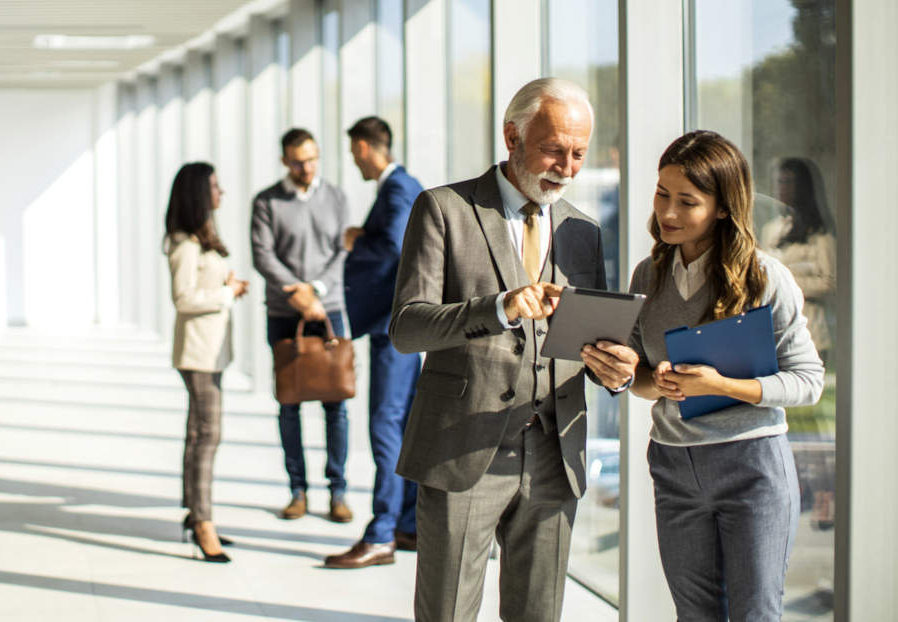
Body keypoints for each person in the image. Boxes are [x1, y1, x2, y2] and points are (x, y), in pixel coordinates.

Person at [389, 78, 639, 621]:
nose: (567, 168)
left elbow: (585, 342)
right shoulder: (443, 209)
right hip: (463, 450)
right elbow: (407, 328)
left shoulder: (583, 230)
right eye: (554, 149)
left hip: (555, 455)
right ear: (512, 135)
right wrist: (499, 307)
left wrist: (615, 371)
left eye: (578, 153)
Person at [626, 131, 825, 620]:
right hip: (673, 465)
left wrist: (720, 386)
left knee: (755, 614)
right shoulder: (645, 277)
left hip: (752, 467)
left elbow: (807, 381)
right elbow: (638, 378)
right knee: (694, 616)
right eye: (662, 194)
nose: (667, 213)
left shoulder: (765, 277)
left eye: (686, 202)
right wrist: (660, 381)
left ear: (721, 207)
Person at [323, 117, 424, 569]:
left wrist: (355, 239)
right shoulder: (401, 185)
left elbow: (397, 244)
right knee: (402, 428)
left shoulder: (398, 186)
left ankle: (383, 531)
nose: (353, 161)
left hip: (392, 328)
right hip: (397, 327)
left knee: (386, 427)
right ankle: (406, 523)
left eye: (353, 152)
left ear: (365, 146)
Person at [251, 128, 353, 522]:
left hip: (330, 311)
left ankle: (338, 492)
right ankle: (298, 491)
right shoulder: (266, 202)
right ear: (284, 161)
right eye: (297, 161)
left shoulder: (336, 197)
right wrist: (297, 293)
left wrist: (317, 290)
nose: (306, 167)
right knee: (289, 403)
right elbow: (263, 255)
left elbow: (342, 251)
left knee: (336, 403)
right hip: (284, 313)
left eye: (311, 159)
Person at [164, 162, 249, 563]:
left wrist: (227, 290)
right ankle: (203, 523)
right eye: (215, 186)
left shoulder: (200, 238)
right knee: (207, 437)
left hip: (209, 351)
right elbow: (183, 300)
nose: (222, 192)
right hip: (198, 354)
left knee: (198, 435)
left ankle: (195, 514)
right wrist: (227, 293)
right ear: (199, 192)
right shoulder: (183, 243)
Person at [761, 157, 836, 360]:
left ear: (802, 186)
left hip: (811, 329)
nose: (781, 188)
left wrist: (786, 282)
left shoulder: (819, 234)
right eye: (779, 182)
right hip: (775, 329)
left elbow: (829, 281)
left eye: (788, 182)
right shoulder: (772, 229)